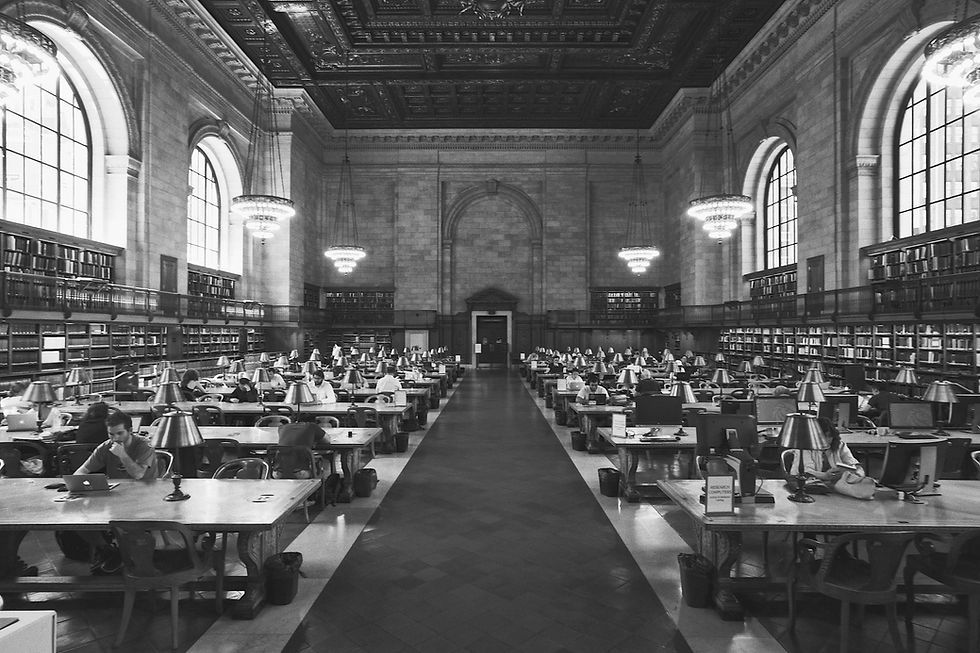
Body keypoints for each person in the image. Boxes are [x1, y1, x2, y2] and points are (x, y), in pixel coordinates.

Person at [76, 410, 155, 480]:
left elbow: (138, 475)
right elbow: (81, 471)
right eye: (111, 434)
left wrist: (122, 455)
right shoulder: (105, 447)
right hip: (117, 492)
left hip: (145, 491)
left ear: (130, 431)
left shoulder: (145, 446)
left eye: (120, 433)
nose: (115, 438)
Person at [795, 417, 864, 484]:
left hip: (837, 484)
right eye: (823, 436)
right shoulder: (805, 447)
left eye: (830, 436)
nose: (827, 440)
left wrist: (858, 473)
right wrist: (825, 476)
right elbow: (805, 471)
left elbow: (853, 464)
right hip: (813, 485)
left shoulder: (839, 445)